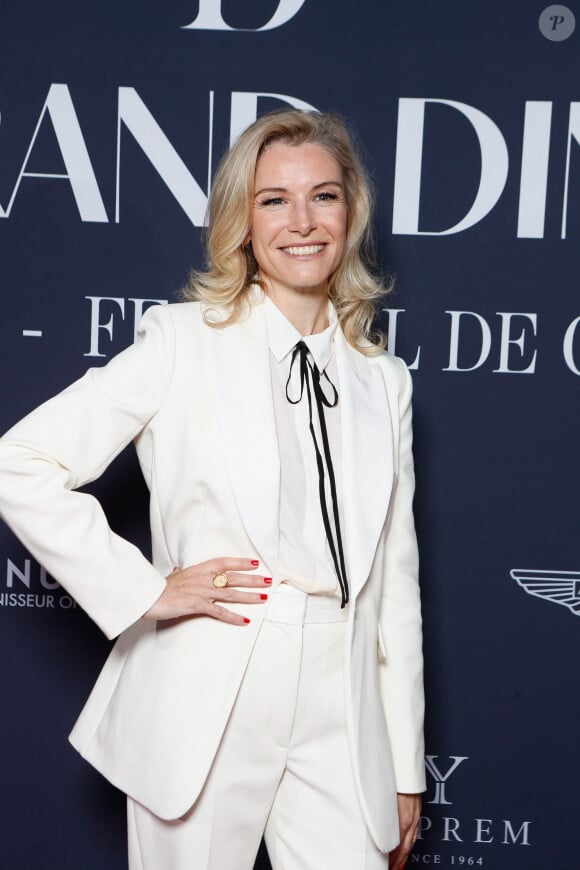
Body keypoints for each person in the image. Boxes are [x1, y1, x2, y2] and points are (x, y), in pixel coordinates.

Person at [0, 109, 425, 869]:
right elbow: (19, 463)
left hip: (342, 703)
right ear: (241, 219)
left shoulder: (381, 379)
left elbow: (393, 586)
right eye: (273, 200)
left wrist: (402, 765)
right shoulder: (183, 341)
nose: (302, 221)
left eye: (323, 196)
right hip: (210, 684)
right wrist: (143, 590)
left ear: (351, 213)